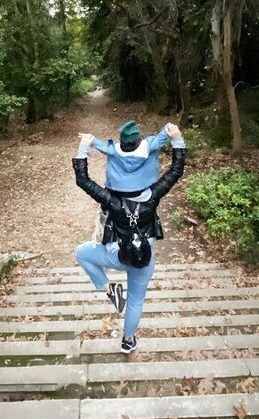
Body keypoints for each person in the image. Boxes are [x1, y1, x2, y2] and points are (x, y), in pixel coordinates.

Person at [72, 123, 186, 353]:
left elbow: (83, 180)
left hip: (117, 256)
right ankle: (128, 341)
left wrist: (84, 147)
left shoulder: (110, 200)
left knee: (81, 253)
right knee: (135, 300)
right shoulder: (153, 195)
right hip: (145, 257)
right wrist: (177, 141)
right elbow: (176, 170)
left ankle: (108, 289)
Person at [85, 120, 171, 194]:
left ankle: (105, 211)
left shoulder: (113, 150)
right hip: (145, 186)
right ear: (139, 139)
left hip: (117, 188)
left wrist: (93, 140)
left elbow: (104, 147)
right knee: (153, 150)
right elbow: (160, 138)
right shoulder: (148, 146)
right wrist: (168, 127)